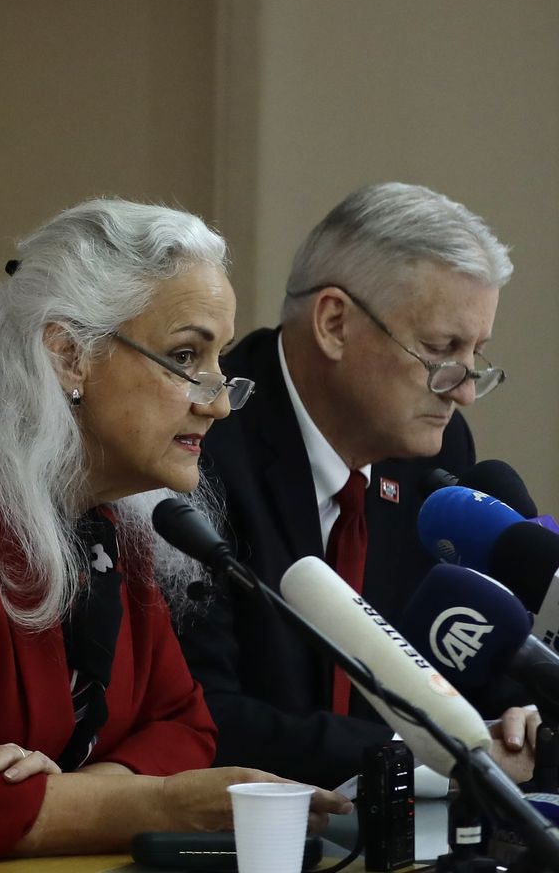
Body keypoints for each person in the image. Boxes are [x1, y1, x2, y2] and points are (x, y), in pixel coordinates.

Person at [0, 199, 349, 872]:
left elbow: (185, 725)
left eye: (219, 360)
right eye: (185, 356)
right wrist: (149, 806)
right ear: (69, 355)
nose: (218, 401)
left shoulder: (121, 522)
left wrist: (71, 794)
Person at [178, 182, 533, 789]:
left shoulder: (439, 453)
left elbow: (448, 657)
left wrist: (514, 712)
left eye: (476, 355)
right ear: (335, 323)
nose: (465, 390)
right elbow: (206, 715)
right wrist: (436, 757)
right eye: (442, 349)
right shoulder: (200, 443)